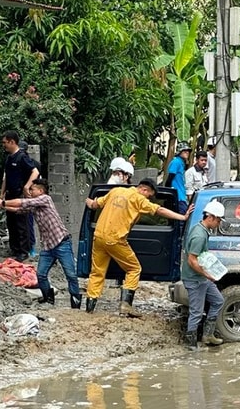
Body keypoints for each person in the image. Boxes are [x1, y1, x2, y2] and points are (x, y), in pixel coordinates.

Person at [84, 178, 191, 316]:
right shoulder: (139, 199)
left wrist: (88, 202)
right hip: (115, 240)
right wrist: (182, 217)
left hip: (98, 237)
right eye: (149, 195)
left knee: (97, 272)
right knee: (134, 268)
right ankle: (126, 305)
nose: (149, 198)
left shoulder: (116, 190)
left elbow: (94, 204)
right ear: (144, 189)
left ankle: (89, 308)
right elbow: (160, 210)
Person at [0, 178, 83, 308]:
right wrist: (1, 205)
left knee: (71, 274)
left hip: (61, 242)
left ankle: (75, 300)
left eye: (32, 189)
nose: (30, 191)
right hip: (48, 246)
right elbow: (18, 209)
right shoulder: (34, 205)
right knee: (41, 274)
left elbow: (22, 203)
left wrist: (3, 202)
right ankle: (48, 298)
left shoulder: (45, 199)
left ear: (41, 190)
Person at [181, 200, 226, 349]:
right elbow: (192, 260)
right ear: (211, 217)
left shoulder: (201, 230)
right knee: (196, 312)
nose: (219, 223)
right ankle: (191, 343)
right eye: (218, 220)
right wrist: (207, 275)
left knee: (218, 301)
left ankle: (208, 335)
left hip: (201, 278)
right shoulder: (199, 236)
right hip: (195, 279)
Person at [0, 130, 39, 262]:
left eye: (5, 142)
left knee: (21, 224)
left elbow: (35, 172)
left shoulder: (22, 157)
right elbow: (6, 177)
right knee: (11, 224)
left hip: (19, 195)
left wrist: (27, 186)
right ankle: (15, 249)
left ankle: (23, 251)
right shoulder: (9, 158)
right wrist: (2, 193)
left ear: (12, 142)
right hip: (10, 194)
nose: (3, 145)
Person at [165, 142, 192, 214]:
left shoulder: (181, 163)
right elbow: (169, 179)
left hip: (181, 196)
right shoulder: (176, 162)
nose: (187, 152)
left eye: (188, 151)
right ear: (179, 151)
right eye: (184, 151)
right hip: (178, 197)